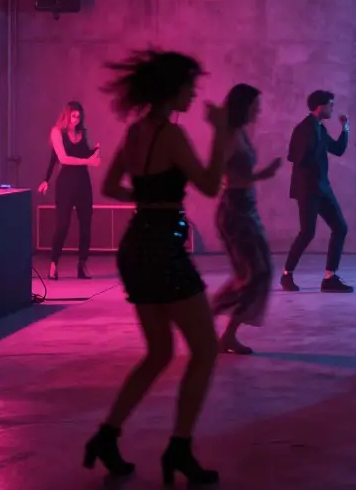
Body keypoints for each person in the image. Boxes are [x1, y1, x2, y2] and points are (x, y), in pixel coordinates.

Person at [82, 50, 226, 483]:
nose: (194, 94)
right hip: (163, 248)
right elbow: (208, 184)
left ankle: (106, 436)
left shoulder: (134, 133)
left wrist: (147, 200)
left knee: (160, 351)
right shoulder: (172, 135)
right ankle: (179, 448)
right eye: (190, 86)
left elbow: (110, 185)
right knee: (205, 349)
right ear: (172, 89)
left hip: (136, 246)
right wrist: (222, 134)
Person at [211, 84, 281, 355]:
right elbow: (225, 174)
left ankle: (227, 334)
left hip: (246, 208)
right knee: (254, 273)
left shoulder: (240, 132)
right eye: (255, 106)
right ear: (244, 106)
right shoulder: (229, 134)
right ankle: (210, 312)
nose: (259, 111)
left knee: (257, 273)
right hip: (235, 211)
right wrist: (263, 175)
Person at [281, 90, 353, 293]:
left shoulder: (319, 128)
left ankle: (329, 278)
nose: (333, 108)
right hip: (308, 189)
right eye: (331, 104)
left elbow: (338, 149)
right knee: (307, 233)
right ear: (320, 107)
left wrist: (345, 129)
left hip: (322, 188)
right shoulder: (304, 128)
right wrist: (313, 155)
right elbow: (294, 156)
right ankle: (286, 275)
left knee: (340, 227)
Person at [37, 101, 101, 280]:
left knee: (86, 224)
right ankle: (53, 264)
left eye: (79, 116)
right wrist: (47, 179)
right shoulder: (57, 132)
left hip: (83, 183)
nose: (76, 119)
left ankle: (82, 264)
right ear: (67, 115)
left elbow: (85, 154)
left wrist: (95, 151)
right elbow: (60, 158)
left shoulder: (82, 132)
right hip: (66, 184)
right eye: (73, 115)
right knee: (63, 225)